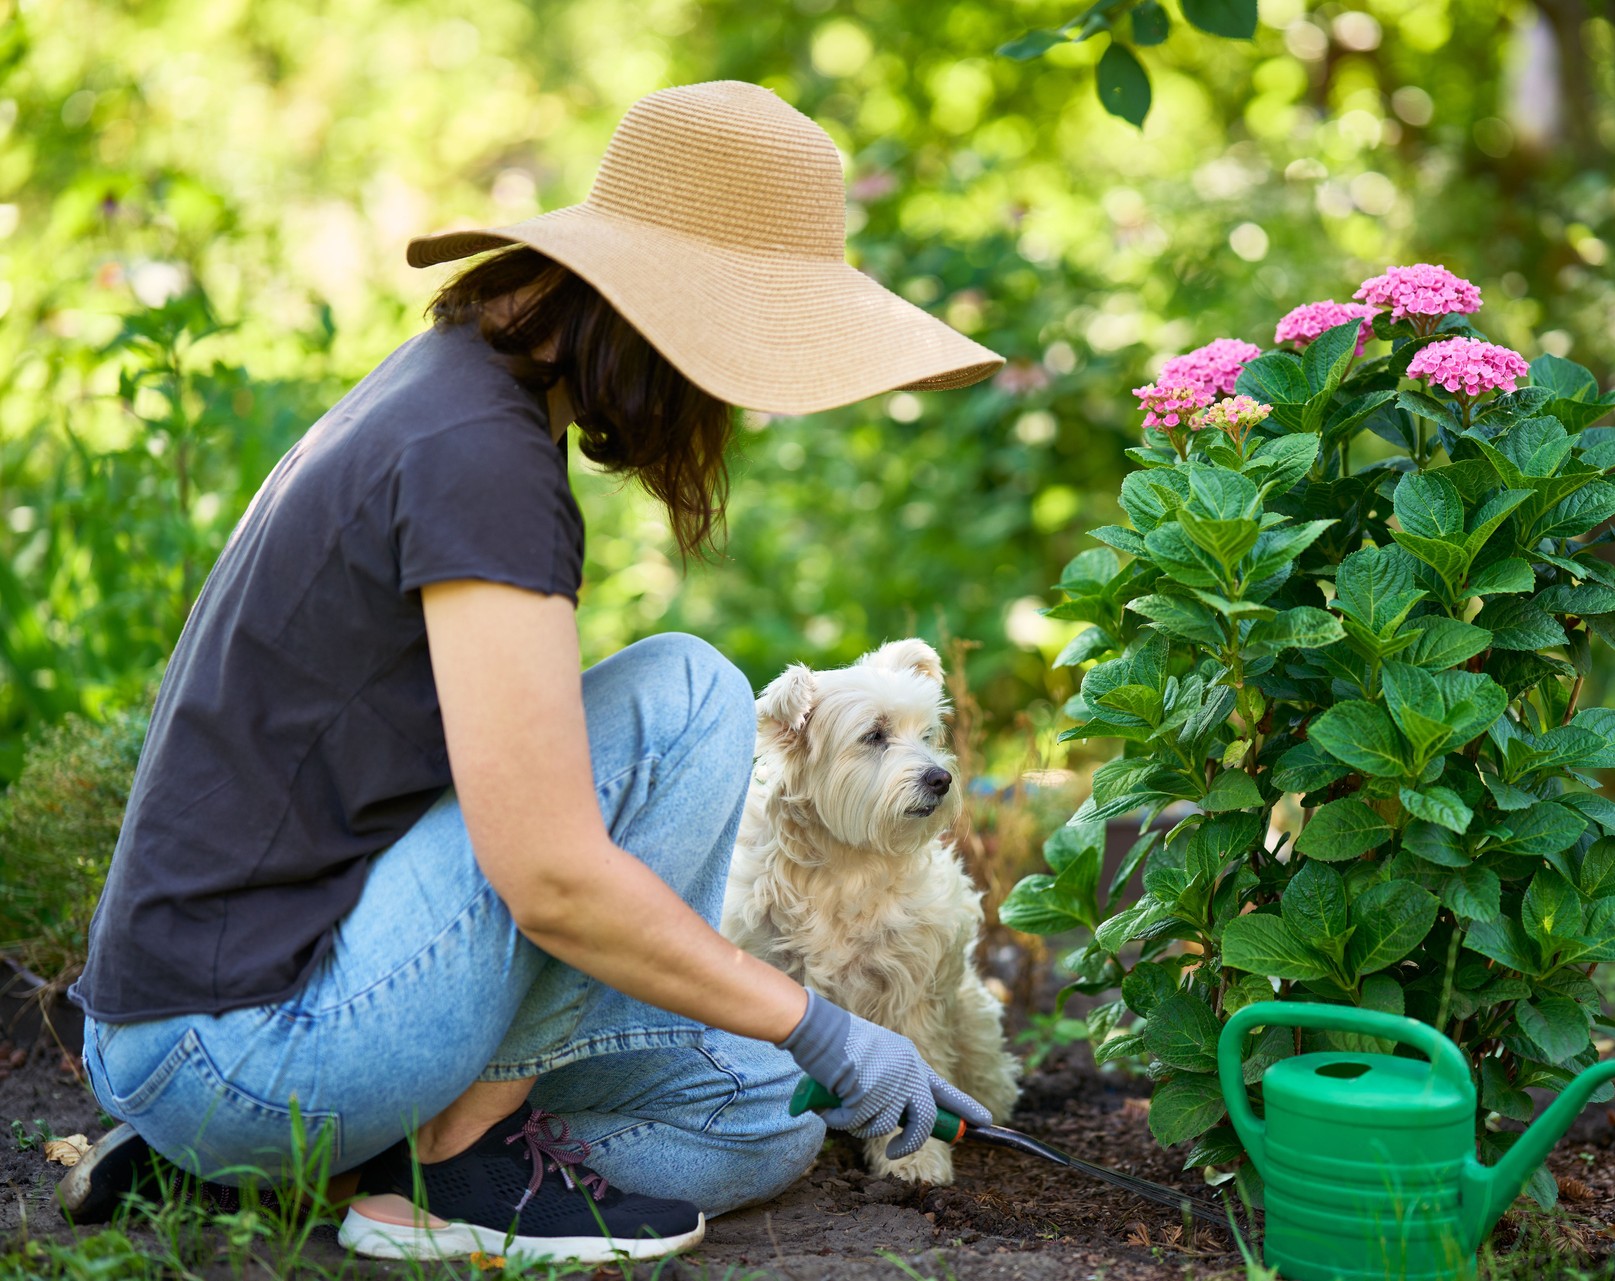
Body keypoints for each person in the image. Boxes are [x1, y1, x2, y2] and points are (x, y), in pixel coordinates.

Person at [57, 81, 1006, 1264]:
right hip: (242, 1040)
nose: (728, 406)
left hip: (242, 1018)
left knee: (764, 1119)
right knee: (690, 696)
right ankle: (447, 1167)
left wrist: (797, 1051)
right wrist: (825, 1025)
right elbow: (547, 874)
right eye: (739, 354)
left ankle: (324, 1162)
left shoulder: (449, 391)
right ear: (664, 316)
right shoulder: (482, 460)